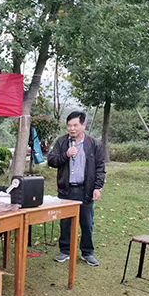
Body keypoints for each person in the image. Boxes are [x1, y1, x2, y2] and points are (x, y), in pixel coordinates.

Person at [48, 111, 105, 266]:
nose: (71, 129)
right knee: (65, 223)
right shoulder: (61, 142)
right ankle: (65, 251)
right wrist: (65, 155)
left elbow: (100, 167)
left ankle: (87, 252)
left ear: (83, 125)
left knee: (87, 223)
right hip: (66, 190)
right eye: (69, 125)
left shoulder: (93, 144)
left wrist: (97, 187)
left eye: (75, 125)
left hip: (85, 190)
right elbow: (52, 160)